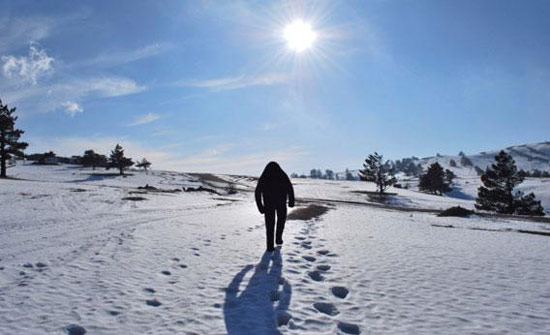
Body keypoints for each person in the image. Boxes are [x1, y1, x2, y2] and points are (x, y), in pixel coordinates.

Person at [255, 162, 295, 252]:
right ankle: (278, 238)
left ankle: (270, 246)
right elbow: (289, 188)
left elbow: (257, 192)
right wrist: (291, 201)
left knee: (270, 225)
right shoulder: (282, 174)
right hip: (281, 203)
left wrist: (260, 207)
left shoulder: (264, 176)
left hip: (269, 204)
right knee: (281, 221)